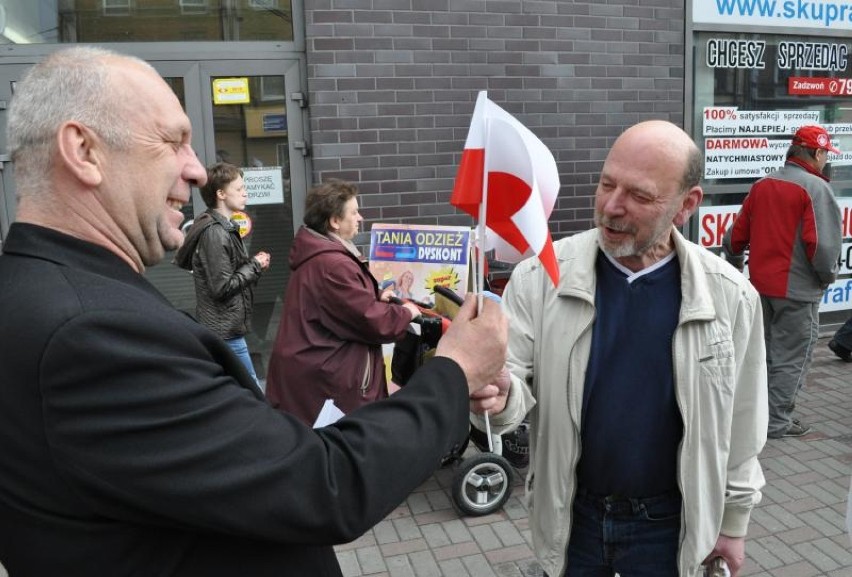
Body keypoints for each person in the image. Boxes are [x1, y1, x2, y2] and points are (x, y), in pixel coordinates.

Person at [0, 45, 509, 577]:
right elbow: (323, 484)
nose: (196, 171)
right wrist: (453, 372)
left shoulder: (43, 291)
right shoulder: (88, 333)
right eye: (173, 142)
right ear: (83, 151)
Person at [469, 120, 768, 577]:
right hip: (573, 520)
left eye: (640, 196)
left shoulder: (730, 296)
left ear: (687, 204)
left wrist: (733, 522)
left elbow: (743, 425)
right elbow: (510, 386)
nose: (612, 206)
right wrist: (497, 392)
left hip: (672, 526)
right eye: (606, 184)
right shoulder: (540, 279)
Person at [264, 179, 421, 426]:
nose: (360, 217)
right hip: (327, 380)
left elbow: (339, 305)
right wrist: (408, 312)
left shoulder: (324, 255)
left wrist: (374, 295)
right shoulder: (333, 265)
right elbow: (370, 320)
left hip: (314, 371)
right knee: (338, 450)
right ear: (335, 222)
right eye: (354, 212)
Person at [723, 124, 843, 438]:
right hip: (798, 292)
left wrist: (736, 267)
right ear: (816, 153)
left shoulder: (763, 184)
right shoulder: (816, 189)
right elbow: (823, 247)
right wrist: (826, 278)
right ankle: (775, 422)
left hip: (761, 287)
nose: (825, 161)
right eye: (825, 155)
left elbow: (734, 238)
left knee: (764, 355)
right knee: (791, 358)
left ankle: (756, 415)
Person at [175, 162, 270, 388]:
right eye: (239, 189)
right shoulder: (216, 233)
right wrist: (255, 265)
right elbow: (222, 287)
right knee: (253, 391)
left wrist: (254, 267)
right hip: (226, 333)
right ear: (221, 193)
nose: (245, 192)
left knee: (238, 392)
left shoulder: (223, 227)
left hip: (228, 330)